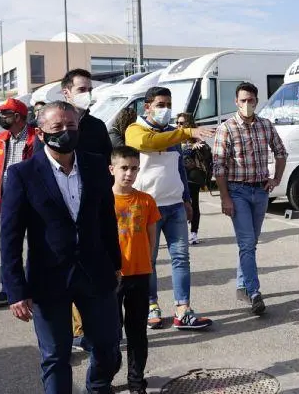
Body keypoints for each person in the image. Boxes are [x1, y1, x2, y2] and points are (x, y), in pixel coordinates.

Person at [0, 101, 122, 394]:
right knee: (55, 357)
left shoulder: (95, 165)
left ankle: (97, 386)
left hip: (95, 272)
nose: (66, 132)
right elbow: (11, 237)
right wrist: (16, 289)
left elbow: (107, 219)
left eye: (71, 126)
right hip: (48, 278)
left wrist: (115, 264)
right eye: (58, 128)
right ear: (41, 134)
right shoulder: (22, 175)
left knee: (108, 347)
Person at [125, 86, 215, 330]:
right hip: (147, 207)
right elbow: (148, 142)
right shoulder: (135, 130)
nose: (165, 109)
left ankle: (183, 309)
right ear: (148, 107)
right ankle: (151, 305)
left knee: (181, 259)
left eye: (168, 104)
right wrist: (186, 132)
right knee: (149, 261)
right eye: (160, 105)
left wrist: (187, 200)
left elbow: (179, 169)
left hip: (174, 205)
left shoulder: (174, 134)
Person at [212, 82, 287, 315]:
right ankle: (254, 292)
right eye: (243, 100)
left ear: (256, 101)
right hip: (238, 191)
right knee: (246, 243)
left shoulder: (265, 125)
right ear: (236, 102)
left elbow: (281, 152)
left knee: (251, 243)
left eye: (251, 100)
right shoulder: (227, 128)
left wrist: (276, 179)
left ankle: (242, 284)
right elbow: (219, 165)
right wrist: (225, 197)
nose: (247, 104)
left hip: (260, 190)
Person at [109, 146, 161, 394]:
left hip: (140, 274)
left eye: (134, 169)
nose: (129, 174)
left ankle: (136, 380)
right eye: (124, 168)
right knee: (110, 332)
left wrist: (148, 261)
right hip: (113, 276)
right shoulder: (103, 200)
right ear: (112, 169)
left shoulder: (146, 200)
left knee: (137, 331)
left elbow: (152, 235)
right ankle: (106, 376)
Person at [0, 98, 37, 306]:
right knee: (9, 245)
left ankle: (34, 286)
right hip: (9, 199)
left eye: (4, 114)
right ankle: (8, 289)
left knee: (37, 244)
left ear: (17, 117)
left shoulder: (37, 139)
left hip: (34, 200)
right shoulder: (0, 139)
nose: (0, 118)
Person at [34, 68, 112, 159]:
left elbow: (108, 158)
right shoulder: (49, 122)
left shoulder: (97, 125)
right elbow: (39, 159)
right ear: (66, 93)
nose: (87, 94)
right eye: (82, 90)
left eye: (90, 90)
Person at [176, 112, 212, 245]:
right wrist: (189, 147)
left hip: (192, 177)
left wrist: (197, 146)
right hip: (177, 177)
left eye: (182, 123)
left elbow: (206, 152)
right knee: (179, 205)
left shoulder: (196, 138)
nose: (178, 125)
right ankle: (181, 232)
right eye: (177, 123)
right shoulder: (175, 137)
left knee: (193, 204)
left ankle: (193, 233)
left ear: (188, 124)